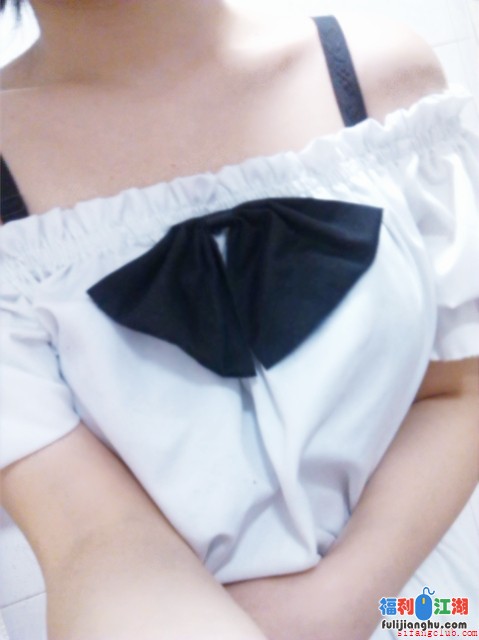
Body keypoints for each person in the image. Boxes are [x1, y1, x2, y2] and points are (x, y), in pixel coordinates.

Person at [0, 1, 478, 638]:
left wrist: (338, 604)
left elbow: (459, 389)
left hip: (423, 606)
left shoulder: (383, 76)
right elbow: (92, 536)